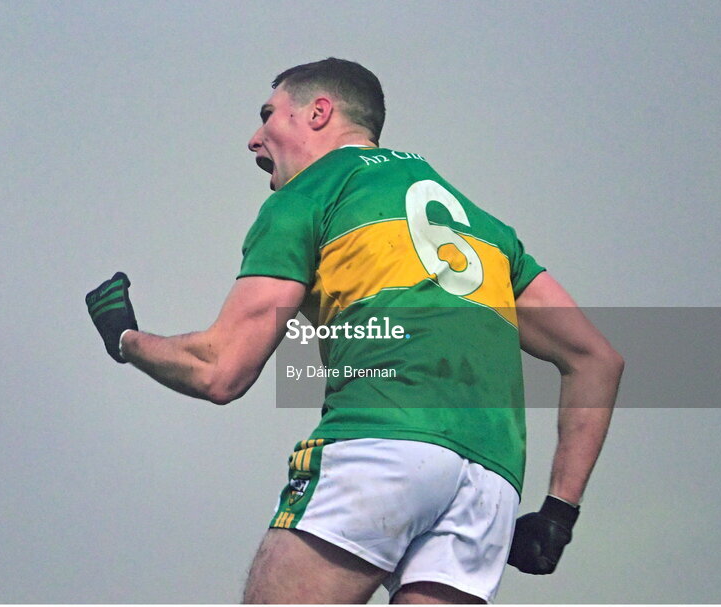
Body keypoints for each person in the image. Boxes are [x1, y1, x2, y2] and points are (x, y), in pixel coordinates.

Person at [86, 58, 623, 604]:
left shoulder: (309, 195)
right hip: (489, 485)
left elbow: (221, 370)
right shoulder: (480, 225)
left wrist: (126, 340)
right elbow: (596, 359)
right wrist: (558, 512)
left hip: (383, 441)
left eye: (268, 115)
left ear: (319, 113)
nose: (253, 139)